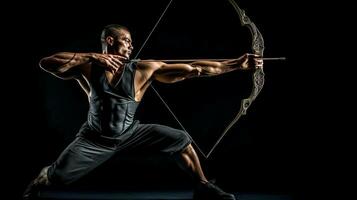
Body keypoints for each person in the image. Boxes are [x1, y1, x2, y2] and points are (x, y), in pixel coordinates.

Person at [23, 24, 263, 200]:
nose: (131, 45)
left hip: (131, 133)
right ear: (109, 41)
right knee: (57, 178)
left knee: (179, 138)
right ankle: (39, 181)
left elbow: (196, 68)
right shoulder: (88, 67)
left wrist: (237, 64)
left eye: (130, 41)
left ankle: (202, 185)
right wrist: (92, 57)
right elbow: (47, 63)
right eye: (126, 40)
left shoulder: (143, 69)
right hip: (94, 139)